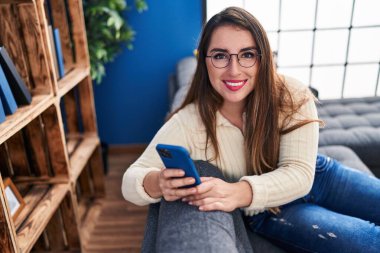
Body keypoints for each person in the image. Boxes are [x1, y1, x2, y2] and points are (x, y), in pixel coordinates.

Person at [122, 6, 380, 253]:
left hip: (319, 175)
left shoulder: (292, 94)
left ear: (262, 58)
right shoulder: (190, 122)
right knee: (371, 242)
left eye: (247, 55)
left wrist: (238, 191)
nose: (234, 70)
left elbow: (301, 174)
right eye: (220, 55)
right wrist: (156, 182)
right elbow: (130, 179)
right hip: (270, 209)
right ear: (204, 60)